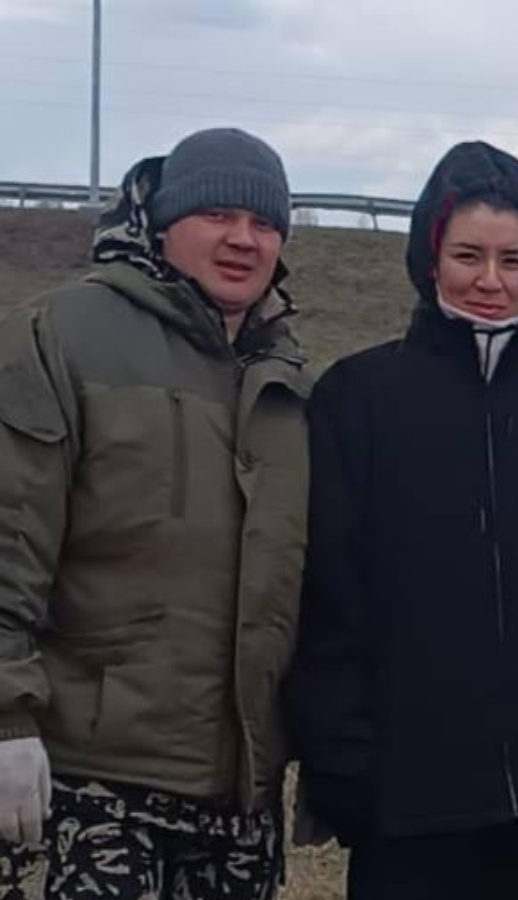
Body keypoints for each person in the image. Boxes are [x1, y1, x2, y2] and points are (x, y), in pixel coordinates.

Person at [285, 142, 518, 900]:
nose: (490, 281)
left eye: (514, 260)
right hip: (409, 801)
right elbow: (329, 593)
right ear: (429, 258)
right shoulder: (357, 399)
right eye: (468, 255)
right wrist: (338, 753)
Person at [0, 128, 309, 898]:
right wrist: (6, 719)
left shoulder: (287, 377)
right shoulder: (63, 336)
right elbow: (9, 537)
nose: (243, 239)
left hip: (237, 798)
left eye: (264, 223)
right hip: (88, 785)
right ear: (163, 222)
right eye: (217, 215)